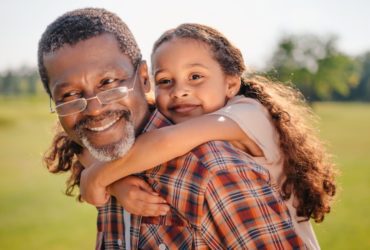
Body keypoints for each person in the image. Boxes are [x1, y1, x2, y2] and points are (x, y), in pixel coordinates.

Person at [38, 8, 305, 249]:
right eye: (70, 95)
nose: (94, 110)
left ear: (142, 80)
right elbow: (82, 145)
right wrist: (113, 180)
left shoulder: (217, 162)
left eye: (108, 82)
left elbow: (166, 142)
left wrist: (96, 178)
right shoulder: (111, 151)